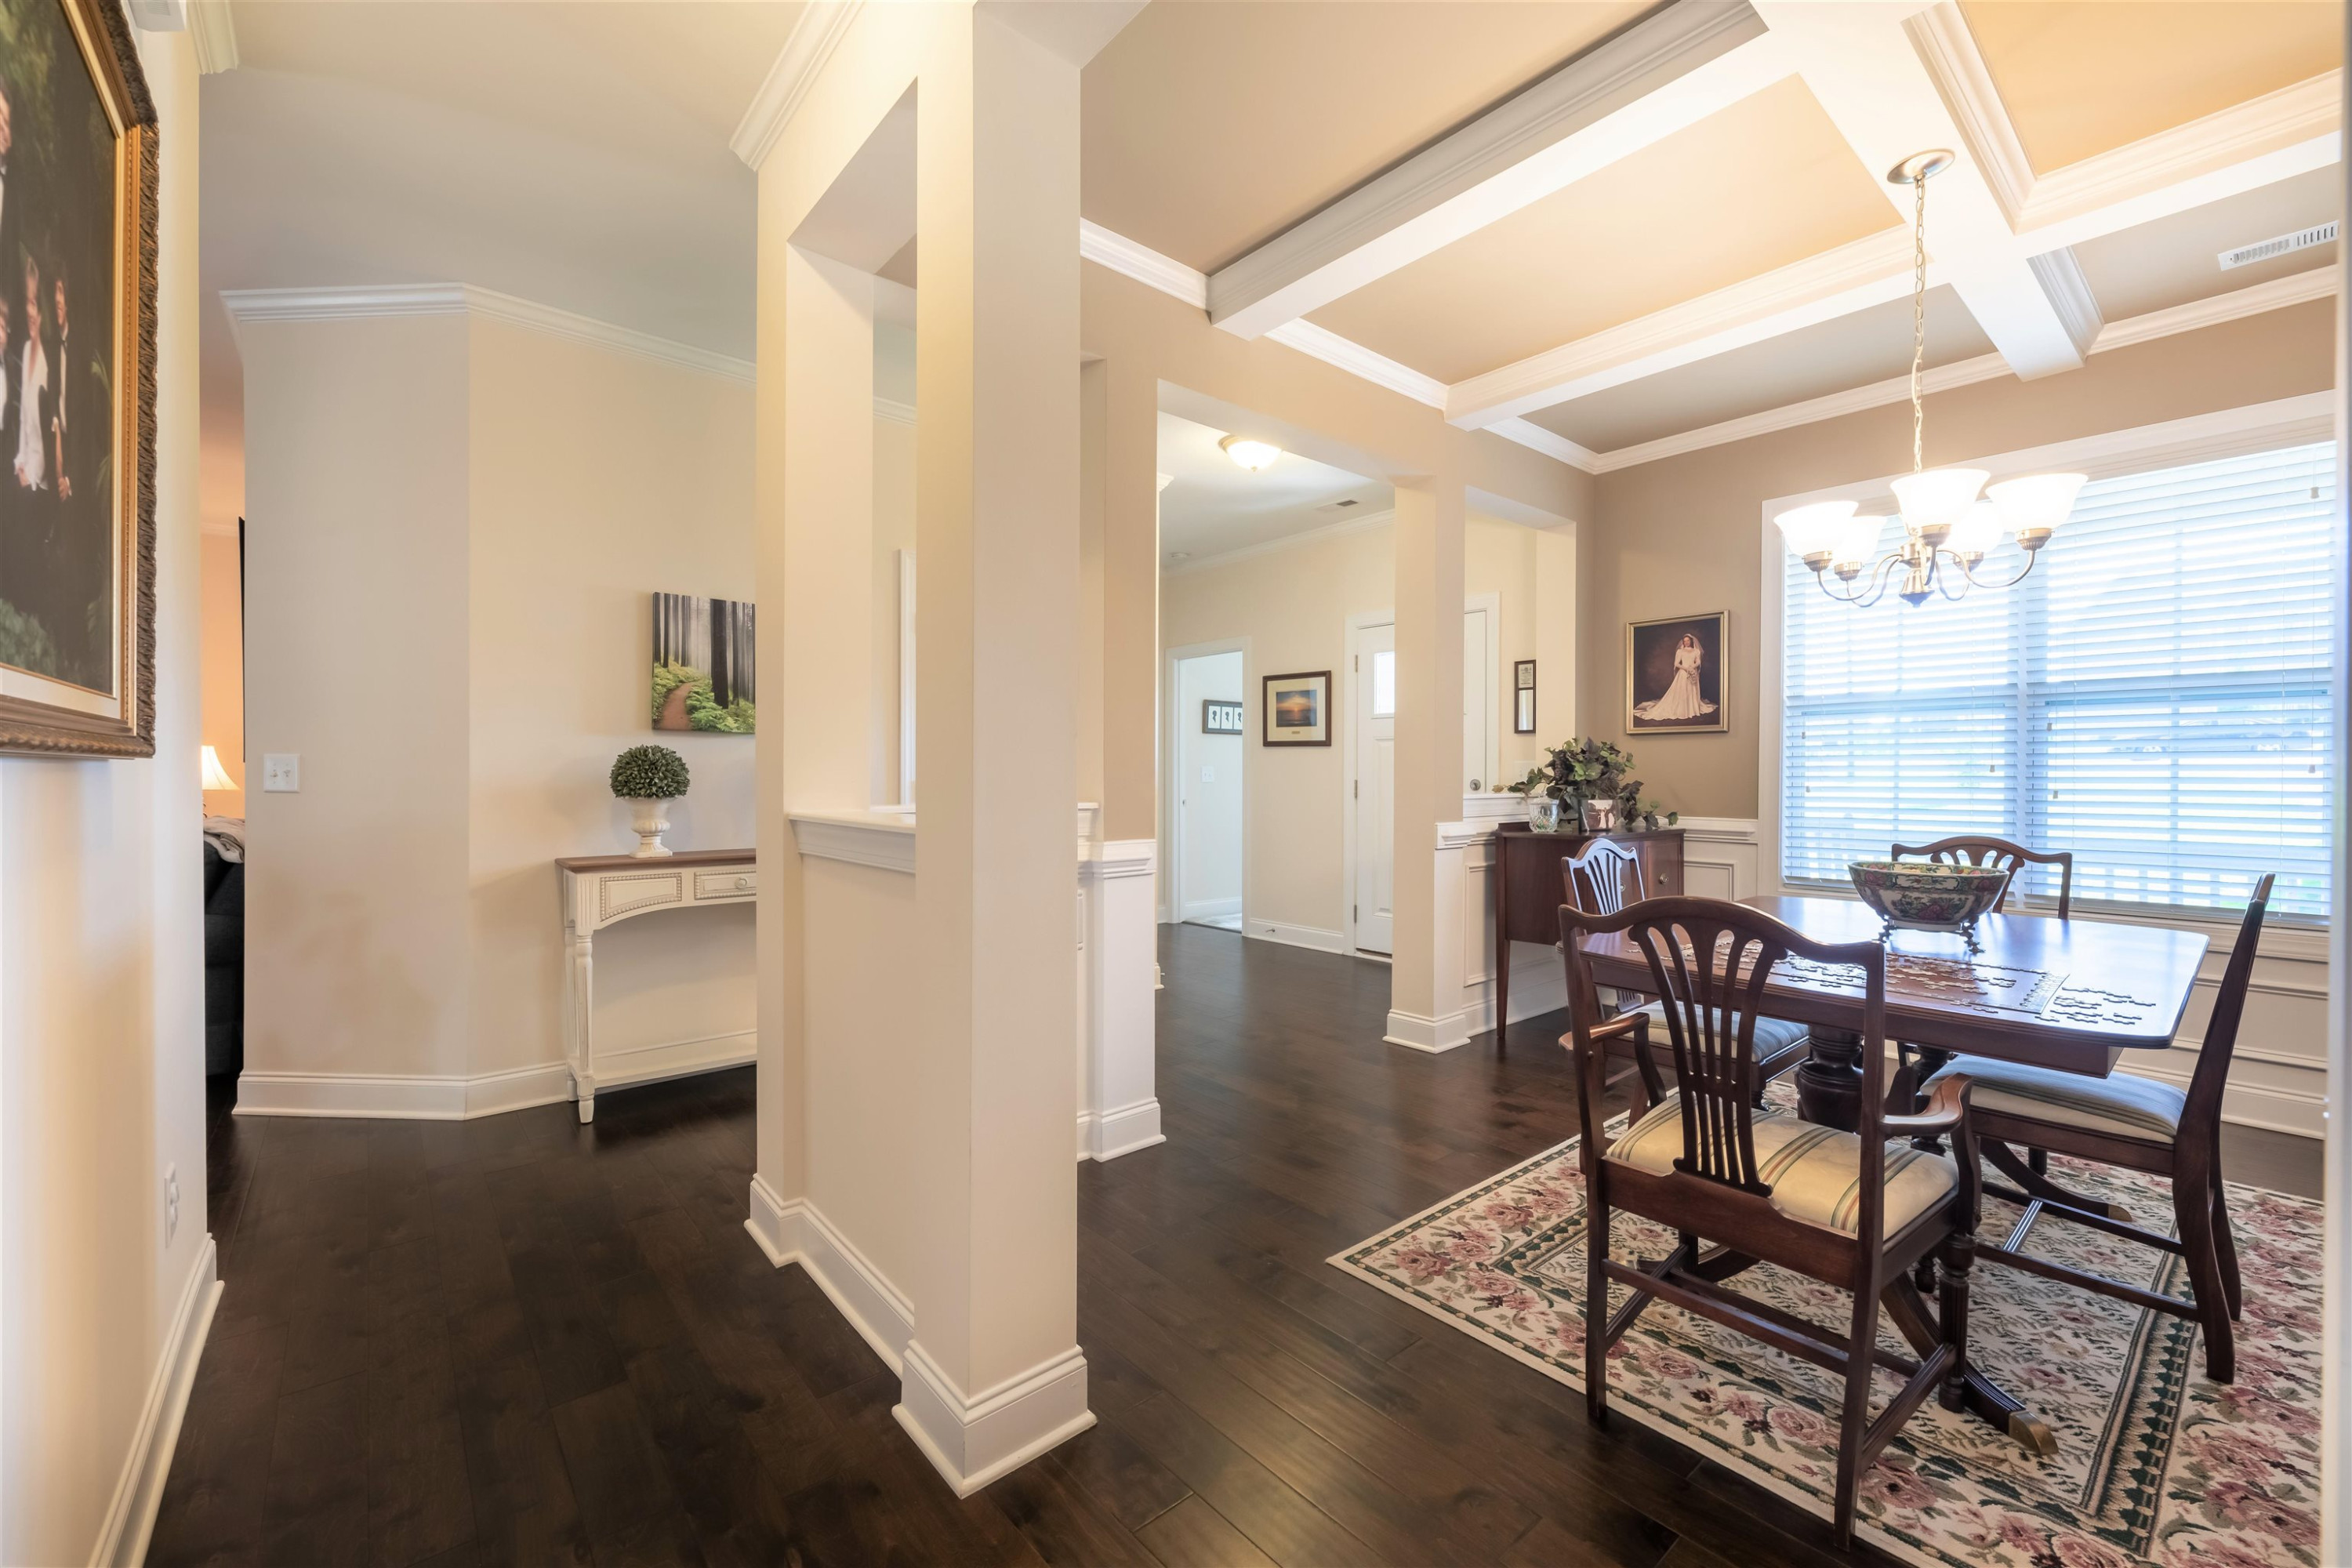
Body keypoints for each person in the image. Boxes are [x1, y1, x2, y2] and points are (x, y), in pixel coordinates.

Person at [13, 254, 47, 494]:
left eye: (34, 303)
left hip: (44, 486)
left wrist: (31, 475)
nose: (29, 311)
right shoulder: (26, 350)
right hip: (27, 481)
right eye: (27, 302)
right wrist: (20, 463)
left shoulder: (51, 360)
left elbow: (51, 435)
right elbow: (24, 421)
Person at [1632, 633, 1717, 722]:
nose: (1686, 642)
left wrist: (1692, 667)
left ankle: (1692, 708)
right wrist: (1686, 669)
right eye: (1685, 641)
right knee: (1683, 690)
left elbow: (1698, 662)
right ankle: (1683, 709)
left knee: (1692, 689)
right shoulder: (1680, 651)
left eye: (1688, 640)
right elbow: (1676, 664)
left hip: (1693, 672)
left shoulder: (1696, 651)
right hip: (1683, 673)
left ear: (1691, 641)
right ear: (1683, 642)